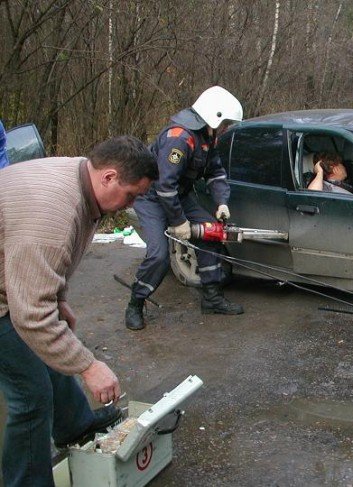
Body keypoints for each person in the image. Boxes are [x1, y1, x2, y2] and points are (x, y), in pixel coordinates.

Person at [0, 135, 158, 486]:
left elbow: (46, 266)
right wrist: (89, 367)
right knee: (31, 397)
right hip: (4, 298)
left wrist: (57, 299)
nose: (129, 204)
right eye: (130, 195)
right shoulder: (53, 213)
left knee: (51, 347)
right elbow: (30, 317)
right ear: (109, 177)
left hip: (11, 278)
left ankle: (75, 425)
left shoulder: (80, 178)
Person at [124, 86, 244, 331]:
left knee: (211, 233)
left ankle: (211, 297)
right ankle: (135, 303)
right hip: (153, 197)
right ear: (214, 116)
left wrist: (222, 202)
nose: (226, 128)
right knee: (158, 255)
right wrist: (179, 222)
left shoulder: (207, 139)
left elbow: (216, 173)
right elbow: (164, 185)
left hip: (178, 194)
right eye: (226, 123)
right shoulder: (180, 137)